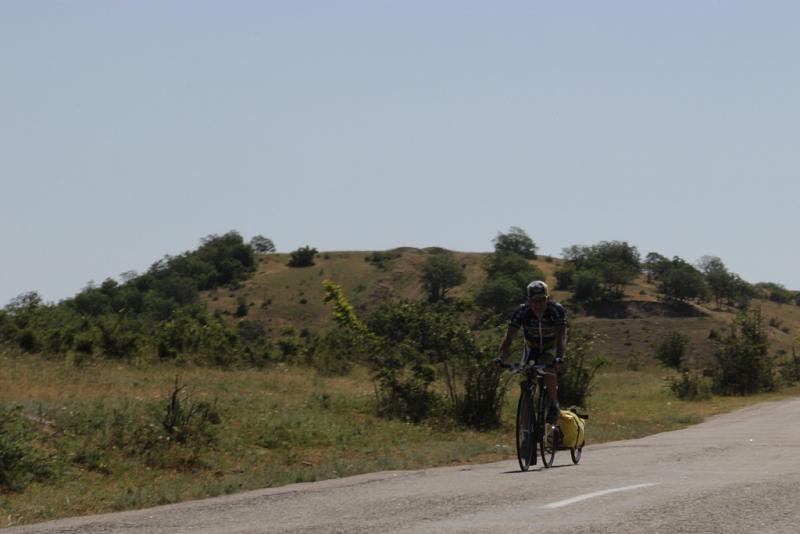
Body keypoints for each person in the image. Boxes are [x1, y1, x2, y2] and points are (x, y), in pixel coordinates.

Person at [494, 280, 567, 424]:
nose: (538, 304)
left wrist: (559, 357)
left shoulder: (556, 310)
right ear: (528, 300)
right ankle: (526, 431)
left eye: (542, 300)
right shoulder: (522, 312)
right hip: (531, 348)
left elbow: (562, 337)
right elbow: (509, 337)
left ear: (548, 298)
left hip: (550, 346)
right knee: (526, 379)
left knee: (547, 366)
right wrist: (499, 357)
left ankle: (554, 404)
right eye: (534, 301)